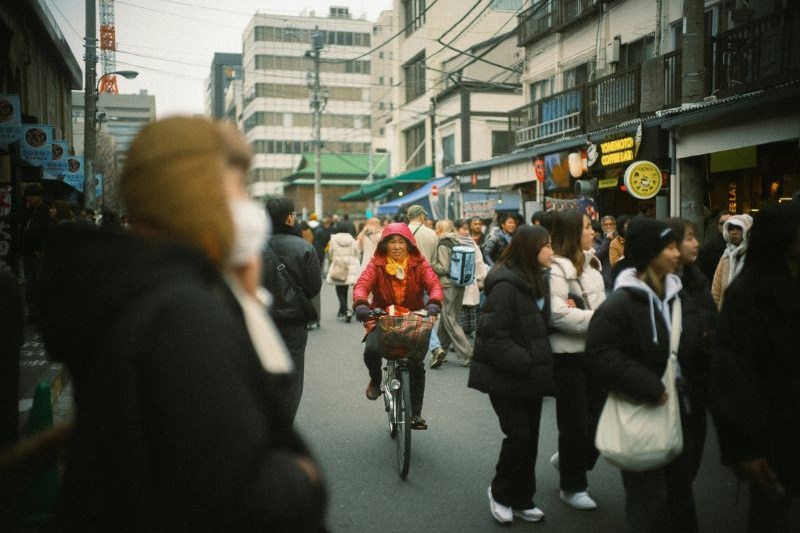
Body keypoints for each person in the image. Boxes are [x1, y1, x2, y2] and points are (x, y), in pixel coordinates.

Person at [36, 117, 326, 531]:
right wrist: (301, 477)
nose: (245, 205)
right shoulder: (183, 314)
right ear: (194, 194)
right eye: (237, 188)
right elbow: (230, 496)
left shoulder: (127, 289)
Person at [586, 218, 698, 533]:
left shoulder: (679, 294)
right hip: (644, 408)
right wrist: (650, 386)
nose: (678, 254)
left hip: (680, 409)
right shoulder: (621, 303)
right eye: (670, 247)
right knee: (649, 503)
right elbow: (600, 354)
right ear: (651, 254)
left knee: (679, 497)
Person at [709, 202, 800, 533]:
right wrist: (745, 446)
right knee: (772, 514)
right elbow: (733, 373)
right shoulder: (749, 295)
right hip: (773, 431)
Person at [468, 225, 557, 525]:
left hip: (530, 376)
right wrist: (528, 360)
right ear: (530, 250)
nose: (552, 252)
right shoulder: (506, 285)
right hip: (506, 375)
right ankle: (501, 493)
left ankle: (522, 498)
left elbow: (539, 325)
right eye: (547, 246)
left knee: (530, 439)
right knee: (518, 435)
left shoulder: (538, 280)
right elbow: (493, 337)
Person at [353, 223, 443, 430]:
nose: (396, 246)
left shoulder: (419, 264)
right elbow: (362, 285)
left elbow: (434, 285)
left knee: (417, 364)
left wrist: (434, 302)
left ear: (409, 244)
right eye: (391, 242)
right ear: (384, 245)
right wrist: (360, 304)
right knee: (372, 351)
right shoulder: (376, 264)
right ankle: (376, 380)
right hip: (382, 316)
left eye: (400, 241)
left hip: (413, 317)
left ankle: (416, 414)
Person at [547, 209, 607, 510]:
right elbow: (557, 314)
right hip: (567, 356)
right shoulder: (555, 269)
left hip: (596, 352)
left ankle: (570, 458)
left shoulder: (594, 264)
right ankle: (573, 486)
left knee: (600, 419)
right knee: (574, 424)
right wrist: (601, 320)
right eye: (586, 227)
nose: (593, 231)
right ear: (572, 233)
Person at [664, 217, 716, 480]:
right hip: (662, 390)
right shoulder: (652, 284)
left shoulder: (698, 281)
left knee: (692, 456)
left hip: (695, 385)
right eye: (689, 238)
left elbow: (711, 321)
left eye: (696, 237)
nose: (696, 243)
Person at [263, 197, 322, 422]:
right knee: (292, 376)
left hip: (262, 320)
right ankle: (283, 426)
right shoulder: (304, 247)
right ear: (289, 218)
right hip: (293, 322)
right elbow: (314, 286)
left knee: (263, 372)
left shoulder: (255, 246)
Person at [429, 219, 473, 368]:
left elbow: (443, 267)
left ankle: (467, 354)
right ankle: (442, 351)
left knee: (449, 319)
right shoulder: (456, 241)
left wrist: (431, 264)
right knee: (448, 319)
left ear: (441, 229)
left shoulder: (442, 243)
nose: (435, 231)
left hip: (447, 284)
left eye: (436, 228)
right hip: (459, 284)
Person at [19, 184, 49, 323]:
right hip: (27, 252)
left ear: (39, 197)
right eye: (27, 196)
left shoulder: (45, 211)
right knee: (30, 285)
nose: (29, 198)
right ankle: (32, 312)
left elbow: (45, 232)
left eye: (31, 196)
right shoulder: (28, 211)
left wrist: (40, 249)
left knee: (39, 283)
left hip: (38, 253)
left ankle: (41, 312)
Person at [455, 218, 487, 342]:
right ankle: (461, 340)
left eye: (467, 229)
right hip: (461, 283)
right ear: (456, 229)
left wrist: (479, 279)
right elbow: (479, 261)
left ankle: (464, 339)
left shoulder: (467, 242)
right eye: (464, 229)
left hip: (469, 283)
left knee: (466, 311)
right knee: (462, 312)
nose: (466, 232)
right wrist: (479, 278)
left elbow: (479, 261)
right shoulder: (458, 242)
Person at [711, 213, 752, 310]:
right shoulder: (725, 257)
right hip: (725, 313)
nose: (734, 232)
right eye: (731, 229)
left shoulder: (753, 256)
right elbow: (716, 288)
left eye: (738, 228)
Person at [325, 227, 361, 321]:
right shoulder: (352, 239)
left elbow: (330, 252)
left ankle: (345, 310)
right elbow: (357, 252)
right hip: (350, 267)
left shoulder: (333, 240)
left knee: (340, 289)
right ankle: (343, 309)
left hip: (338, 266)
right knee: (348, 289)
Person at [696, 211, 731, 285]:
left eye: (729, 223)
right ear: (717, 226)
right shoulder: (708, 249)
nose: (725, 226)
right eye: (722, 223)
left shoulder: (745, 247)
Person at [596, 215, 617, 290]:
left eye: (610, 224)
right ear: (602, 227)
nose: (608, 226)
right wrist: (607, 240)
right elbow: (597, 256)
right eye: (605, 224)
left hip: (617, 279)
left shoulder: (619, 239)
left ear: (614, 226)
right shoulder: (597, 240)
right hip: (605, 280)